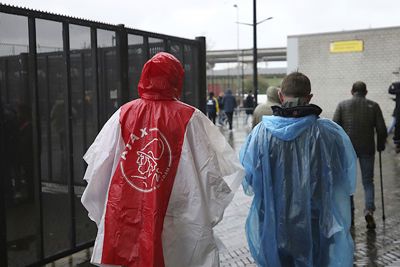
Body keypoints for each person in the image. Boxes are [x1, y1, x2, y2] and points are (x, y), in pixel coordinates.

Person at [81, 52, 244, 267]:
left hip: (126, 221)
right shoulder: (191, 118)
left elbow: (98, 169)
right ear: (177, 80)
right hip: (180, 223)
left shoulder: (123, 114)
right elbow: (212, 173)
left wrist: (106, 209)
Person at [240, 72, 357, 266]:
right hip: (316, 221)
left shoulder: (261, 133)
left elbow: (249, 179)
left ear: (280, 96)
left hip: (273, 221)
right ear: (310, 97)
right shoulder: (329, 133)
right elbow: (342, 177)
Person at [333, 81, 387, 230]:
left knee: (348, 181)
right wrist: (381, 145)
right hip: (367, 148)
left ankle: (349, 215)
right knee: (368, 181)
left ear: (351, 92)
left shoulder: (342, 105)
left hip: (347, 149)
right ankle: (369, 210)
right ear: (366, 92)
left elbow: (334, 127)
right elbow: (382, 129)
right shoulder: (374, 106)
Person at [388, 81, 400, 152]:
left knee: (394, 124)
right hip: (398, 112)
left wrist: (391, 85)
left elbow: (390, 91)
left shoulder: (398, 91)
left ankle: (386, 135)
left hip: (398, 112)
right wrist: (395, 99)